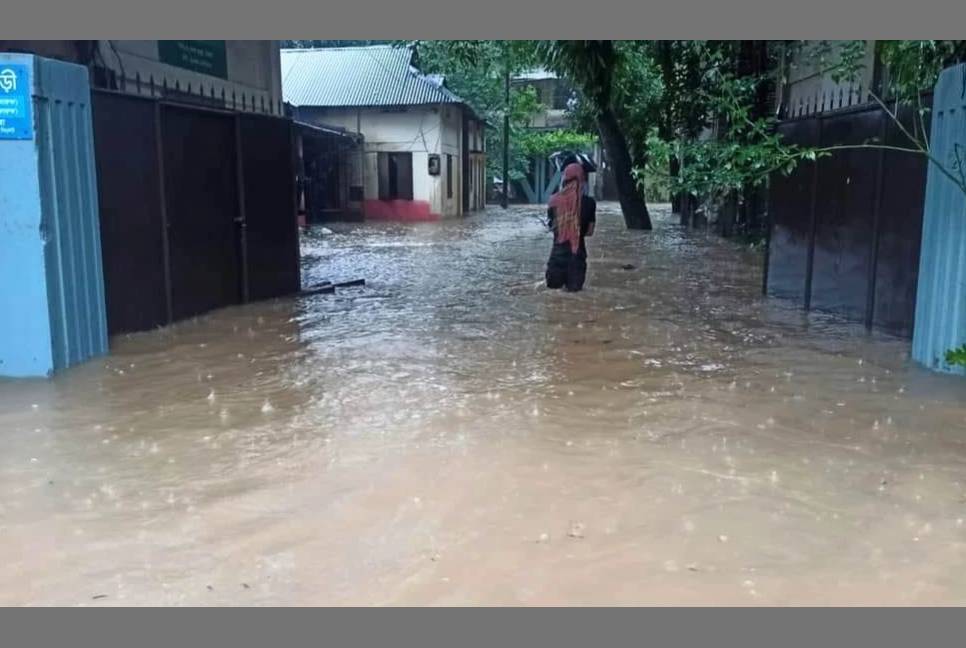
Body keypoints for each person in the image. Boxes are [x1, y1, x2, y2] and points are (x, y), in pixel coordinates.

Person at [545, 162, 596, 292]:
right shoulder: (589, 203)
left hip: (557, 256)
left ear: (565, 178)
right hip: (577, 257)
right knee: (575, 299)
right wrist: (575, 229)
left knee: (553, 297)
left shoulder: (553, 201)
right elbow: (589, 232)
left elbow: (552, 227)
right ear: (581, 179)